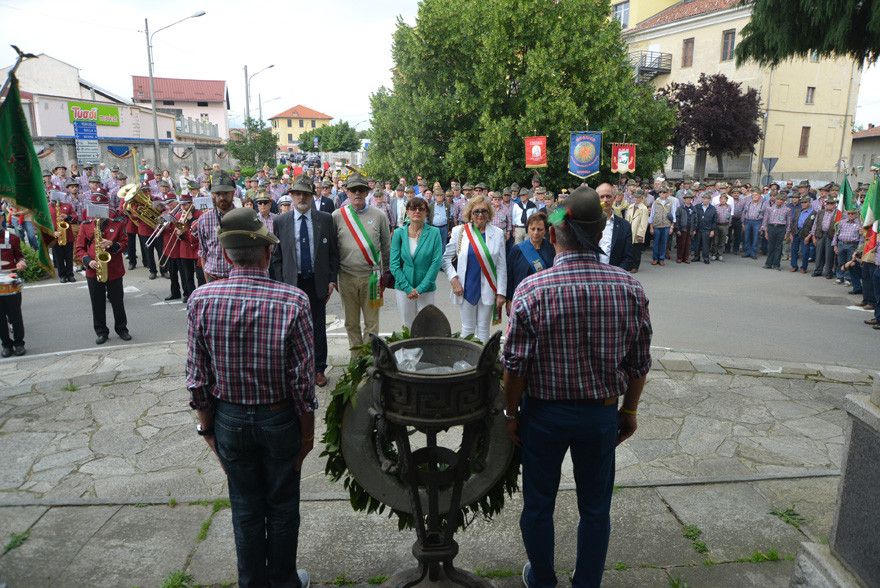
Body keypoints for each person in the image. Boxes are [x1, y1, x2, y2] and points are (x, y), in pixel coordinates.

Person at [502, 184, 652, 588]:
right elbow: (639, 363)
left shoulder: (533, 289)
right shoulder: (628, 287)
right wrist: (629, 410)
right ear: (601, 231)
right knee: (596, 508)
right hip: (600, 414)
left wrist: (510, 414)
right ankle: (586, 582)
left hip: (544, 415)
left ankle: (542, 579)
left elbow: (514, 367)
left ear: (553, 235)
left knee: (538, 505)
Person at [186, 207, 314, 588]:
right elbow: (302, 384)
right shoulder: (293, 301)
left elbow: (197, 378)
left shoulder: (201, 300)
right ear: (268, 253)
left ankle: (253, 583)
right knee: (283, 505)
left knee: (244, 508)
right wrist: (307, 437)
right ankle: (284, 581)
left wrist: (207, 429)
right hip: (279, 418)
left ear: (226, 257)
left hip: (230, 419)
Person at [271, 176, 339, 388]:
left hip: (316, 282)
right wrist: (280, 284)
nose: (302, 197)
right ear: (291, 195)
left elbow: (333, 253)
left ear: (312, 195)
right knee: (291, 327)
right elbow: (276, 257)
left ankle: (318, 369)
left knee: (318, 327)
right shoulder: (280, 221)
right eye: (298, 193)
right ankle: (295, 368)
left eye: (306, 194)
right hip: (291, 283)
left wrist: (331, 280)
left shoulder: (325, 219)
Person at [332, 174, 391, 362]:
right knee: (351, 323)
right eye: (353, 190)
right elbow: (332, 250)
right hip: (346, 277)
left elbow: (386, 247)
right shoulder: (337, 216)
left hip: (372, 278)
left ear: (367, 192)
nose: (357, 193)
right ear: (347, 192)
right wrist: (333, 278)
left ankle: (368, 360)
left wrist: (386, 273)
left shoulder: (379, 216)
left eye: (361, 190)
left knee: (372, 323)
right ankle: (356, 360)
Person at [442, 195, 507, 343]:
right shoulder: (459, 232)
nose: (480, 214)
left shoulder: (498, 233)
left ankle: (482, 357)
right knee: (467, 329)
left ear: (489, 213)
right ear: (470, 213)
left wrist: (501, 293)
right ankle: (468, 357)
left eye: (484, 211)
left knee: (484, 329)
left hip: (488, 288)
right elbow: (445, 259)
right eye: (476, 211)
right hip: (465, 288)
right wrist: (454, 280)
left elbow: (501, 266)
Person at [74, 190, 132, 345]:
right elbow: (79, 249)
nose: (98, 212)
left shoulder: (117, 224)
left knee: (118, 302)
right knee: (97, 303)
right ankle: (101, 331)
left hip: (114, 269)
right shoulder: (86, 225)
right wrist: (88, 261)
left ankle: (122, 329)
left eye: (101, 208)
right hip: (94, 270)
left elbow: (125, 243)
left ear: (107, 208)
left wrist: (112, 244)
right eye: (95, 208)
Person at [388, 197, 444, 328]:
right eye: (413, 208)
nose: (417, 211)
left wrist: (420, 288)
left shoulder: (434, 233)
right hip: (404, 287)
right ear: (407, 212)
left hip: (426, 287)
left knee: (426, 326)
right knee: (407, 326)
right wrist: (407, 288)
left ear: (426, 212)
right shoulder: (398, 233)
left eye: (421, 209)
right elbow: (394, 264)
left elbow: (436, 263)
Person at [506, 212, 554, 310]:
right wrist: (509, 299)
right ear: (527, 229)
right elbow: (509, 276)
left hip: (545, 300)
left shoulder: (552, 249)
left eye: (539, 229)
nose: (536, 232)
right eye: (532, 229)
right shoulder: (517, 250)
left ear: (545, 230)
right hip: (522, 299)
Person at [196, 173, 236, 282]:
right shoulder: (204, 220)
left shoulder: (243, 218)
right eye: (218, 194)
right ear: (212, 194)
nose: (222, 197)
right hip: (212, 277)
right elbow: (203, 252)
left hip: (236, 279)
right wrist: (207, 279)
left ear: (233, 193)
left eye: (226, 193)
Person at [0, 226, 27, 357]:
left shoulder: (12, 238)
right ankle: (6, 344)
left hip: (10, 281)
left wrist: (21, 263)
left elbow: (20, 257)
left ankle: (19, 343)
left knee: (15, 315)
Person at [595, 183, 635, 270]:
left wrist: (615, 274)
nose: (605, 200)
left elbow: (628, 258)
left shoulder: (625, 226)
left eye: (608, 196)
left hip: (615, 274)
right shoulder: (587, 223)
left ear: (614, 198)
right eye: (602, 197)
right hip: (592, 274)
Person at [51, 184, 78, 282]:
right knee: (59, 258)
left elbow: (75, 217)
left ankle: (70, 274)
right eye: (52, 193)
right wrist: (53, 232)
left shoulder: (67, 206)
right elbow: (45, 223)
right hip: (56, 236)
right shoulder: (48, 207)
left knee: (69, 257)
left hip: (68, 236)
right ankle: (62, 275)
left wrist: (67, 217)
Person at [834, 207, 863, 292]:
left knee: (850, 262)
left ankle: (848, 278)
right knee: (840, 261)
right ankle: (839, 277)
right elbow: (836, 233)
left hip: (852, 244)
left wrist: (858, 249)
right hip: (841, 243)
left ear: (856, 214)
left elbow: (861, 237)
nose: (850, 215)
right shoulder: (842, 222)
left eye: (852, 213)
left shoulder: (860, 224)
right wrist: (835, 245)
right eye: (849, 213)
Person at [811, 196, 838, 279]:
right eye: (828, 203)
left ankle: (828, 272)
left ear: (835, 205)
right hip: (821, 234)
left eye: (831, 204)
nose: (829, 205)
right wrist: (813, 236)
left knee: (829, 255)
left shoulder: (838, 213)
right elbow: (815, 224)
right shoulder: (820, 212)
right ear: (825, 204)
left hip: (831, 236)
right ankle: (818, 271)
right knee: (819, 254)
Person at [762, 192, 789, 270]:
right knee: (771, 246)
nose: (779, 201)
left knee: (779, 247)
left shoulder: (787, 210)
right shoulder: (769, 208)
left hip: (781, 228)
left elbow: (789, 222)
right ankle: (768, 263)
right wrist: (765, 231)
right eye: (778, 199)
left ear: (784, 201)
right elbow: (765, 220)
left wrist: (787, 233)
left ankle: (776, 264)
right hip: (771, 227)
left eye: (781, 200)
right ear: (775, 200)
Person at [789, 196, 816, 273]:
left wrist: (809, 236)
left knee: (805, 252)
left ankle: (804, 267)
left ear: (809, 203)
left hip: (806, 234)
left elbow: (814, 226)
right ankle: (794, 266)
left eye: (805, 202)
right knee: (794, 250)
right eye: (802, 202)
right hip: (796, 232)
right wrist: (791, 233)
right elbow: (793, 222)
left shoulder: (814, 213)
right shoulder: (798, 211)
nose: (803, 204)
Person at [624, 189, 649, 273]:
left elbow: (644, 223)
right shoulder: (630, 206)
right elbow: (627, 218)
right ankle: (629, 265)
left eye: (638, 197)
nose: (636, 199)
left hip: (637, 232)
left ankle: (635, 266)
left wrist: (640, 234)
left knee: (636, 251)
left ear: (642, 198)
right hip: (629, 231)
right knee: (629, 249)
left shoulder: (644, 208)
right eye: (635, 197)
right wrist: (625, 229)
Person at [648, 185, 674, 266]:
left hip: (666, 226)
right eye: (661, 192)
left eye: (664, 192)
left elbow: (673, 215)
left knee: (664, 243)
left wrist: (672, 227)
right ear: (659, 194)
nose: (663, 194)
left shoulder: (670, 202)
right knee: (656, 243)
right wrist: (651, 227)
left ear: (667, 194)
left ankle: (661, 258)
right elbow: (652, 215)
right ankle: (655, 258)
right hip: (656, 225)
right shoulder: (655, 202)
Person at [741, 189, 766, 259]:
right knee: (747, 237)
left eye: (756, 195)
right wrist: (742, 223)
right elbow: (744, 212)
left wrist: (763, 225)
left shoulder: (763, 204)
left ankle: (753, 253)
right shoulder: (748, 203)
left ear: (760, 196)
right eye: (753, 195)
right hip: (747, 221)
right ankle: (747, 252)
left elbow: (765, 215)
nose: (755, 196)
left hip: (757, 222)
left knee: (756, 237)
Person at [693, 192, 717, 264]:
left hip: (707, 229)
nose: (705, 200)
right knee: (697, 244)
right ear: (702, 199)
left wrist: (712, 230)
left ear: (710, 200)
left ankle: (706, 258)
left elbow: (714, 220)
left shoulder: (713, 208)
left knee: (705, 244)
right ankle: (696, 257)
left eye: (707, 199)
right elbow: (694, 218)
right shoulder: (697, 207)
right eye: (704, 198)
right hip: (698, 228)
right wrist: (694, 229)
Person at [675, 191, 697, 264]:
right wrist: (678, 229)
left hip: (690, 229)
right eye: (687, 198)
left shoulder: (693, 208)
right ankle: (679, 257)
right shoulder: (680, 208)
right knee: (681, 243)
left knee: (688, 244)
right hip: (682, 229)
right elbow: (677, 219)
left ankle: (686, 258)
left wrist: (694, 229)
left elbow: (696, 219)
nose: (688, 200)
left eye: (690, 198)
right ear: (684, 200)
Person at [713, 193, 732, 261]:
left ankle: (720, 254)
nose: (723, 200)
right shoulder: (715, 206)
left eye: (724, 199)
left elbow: (729, 216)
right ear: (719, 199)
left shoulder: (729, 207)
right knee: (715, 241)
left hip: (725, 225)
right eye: (721, 199)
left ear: (726, 200)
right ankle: (714, 254)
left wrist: (729, 224)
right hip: (717, 225)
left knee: (722, 241)